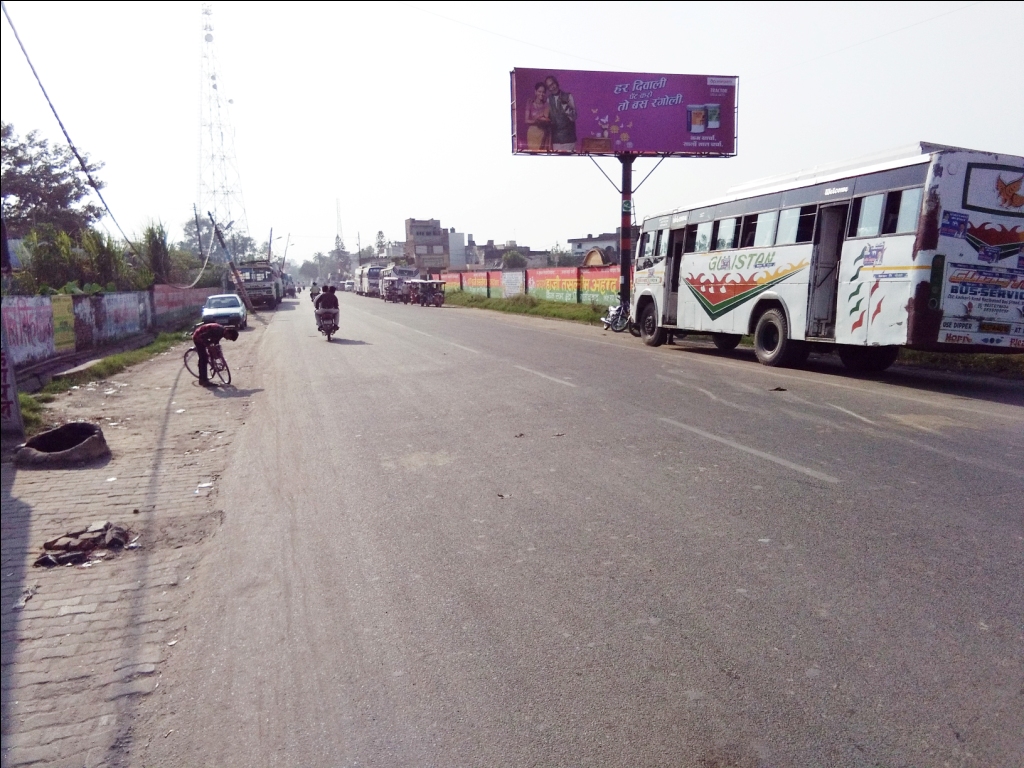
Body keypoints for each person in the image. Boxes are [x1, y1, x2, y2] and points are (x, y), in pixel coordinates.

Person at [545, 75, 577, 153]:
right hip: (556, 141)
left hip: (569, 140)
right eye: (549, 86)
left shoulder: (568, 96)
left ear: (556, 83)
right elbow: (548, 118)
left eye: (553, 84)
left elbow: (574, 116)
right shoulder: (548, 100)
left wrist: (565, 106)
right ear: (548, 89)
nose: (552, 87)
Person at [525, 82, 551, 151]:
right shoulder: (530, 103)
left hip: (542, 133)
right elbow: (526, 120)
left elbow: (546, 119)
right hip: (531, 133)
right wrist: (536, 121)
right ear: (535, 92)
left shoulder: (546, 105)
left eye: (543, 92)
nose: (541, 94)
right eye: (539, 91)